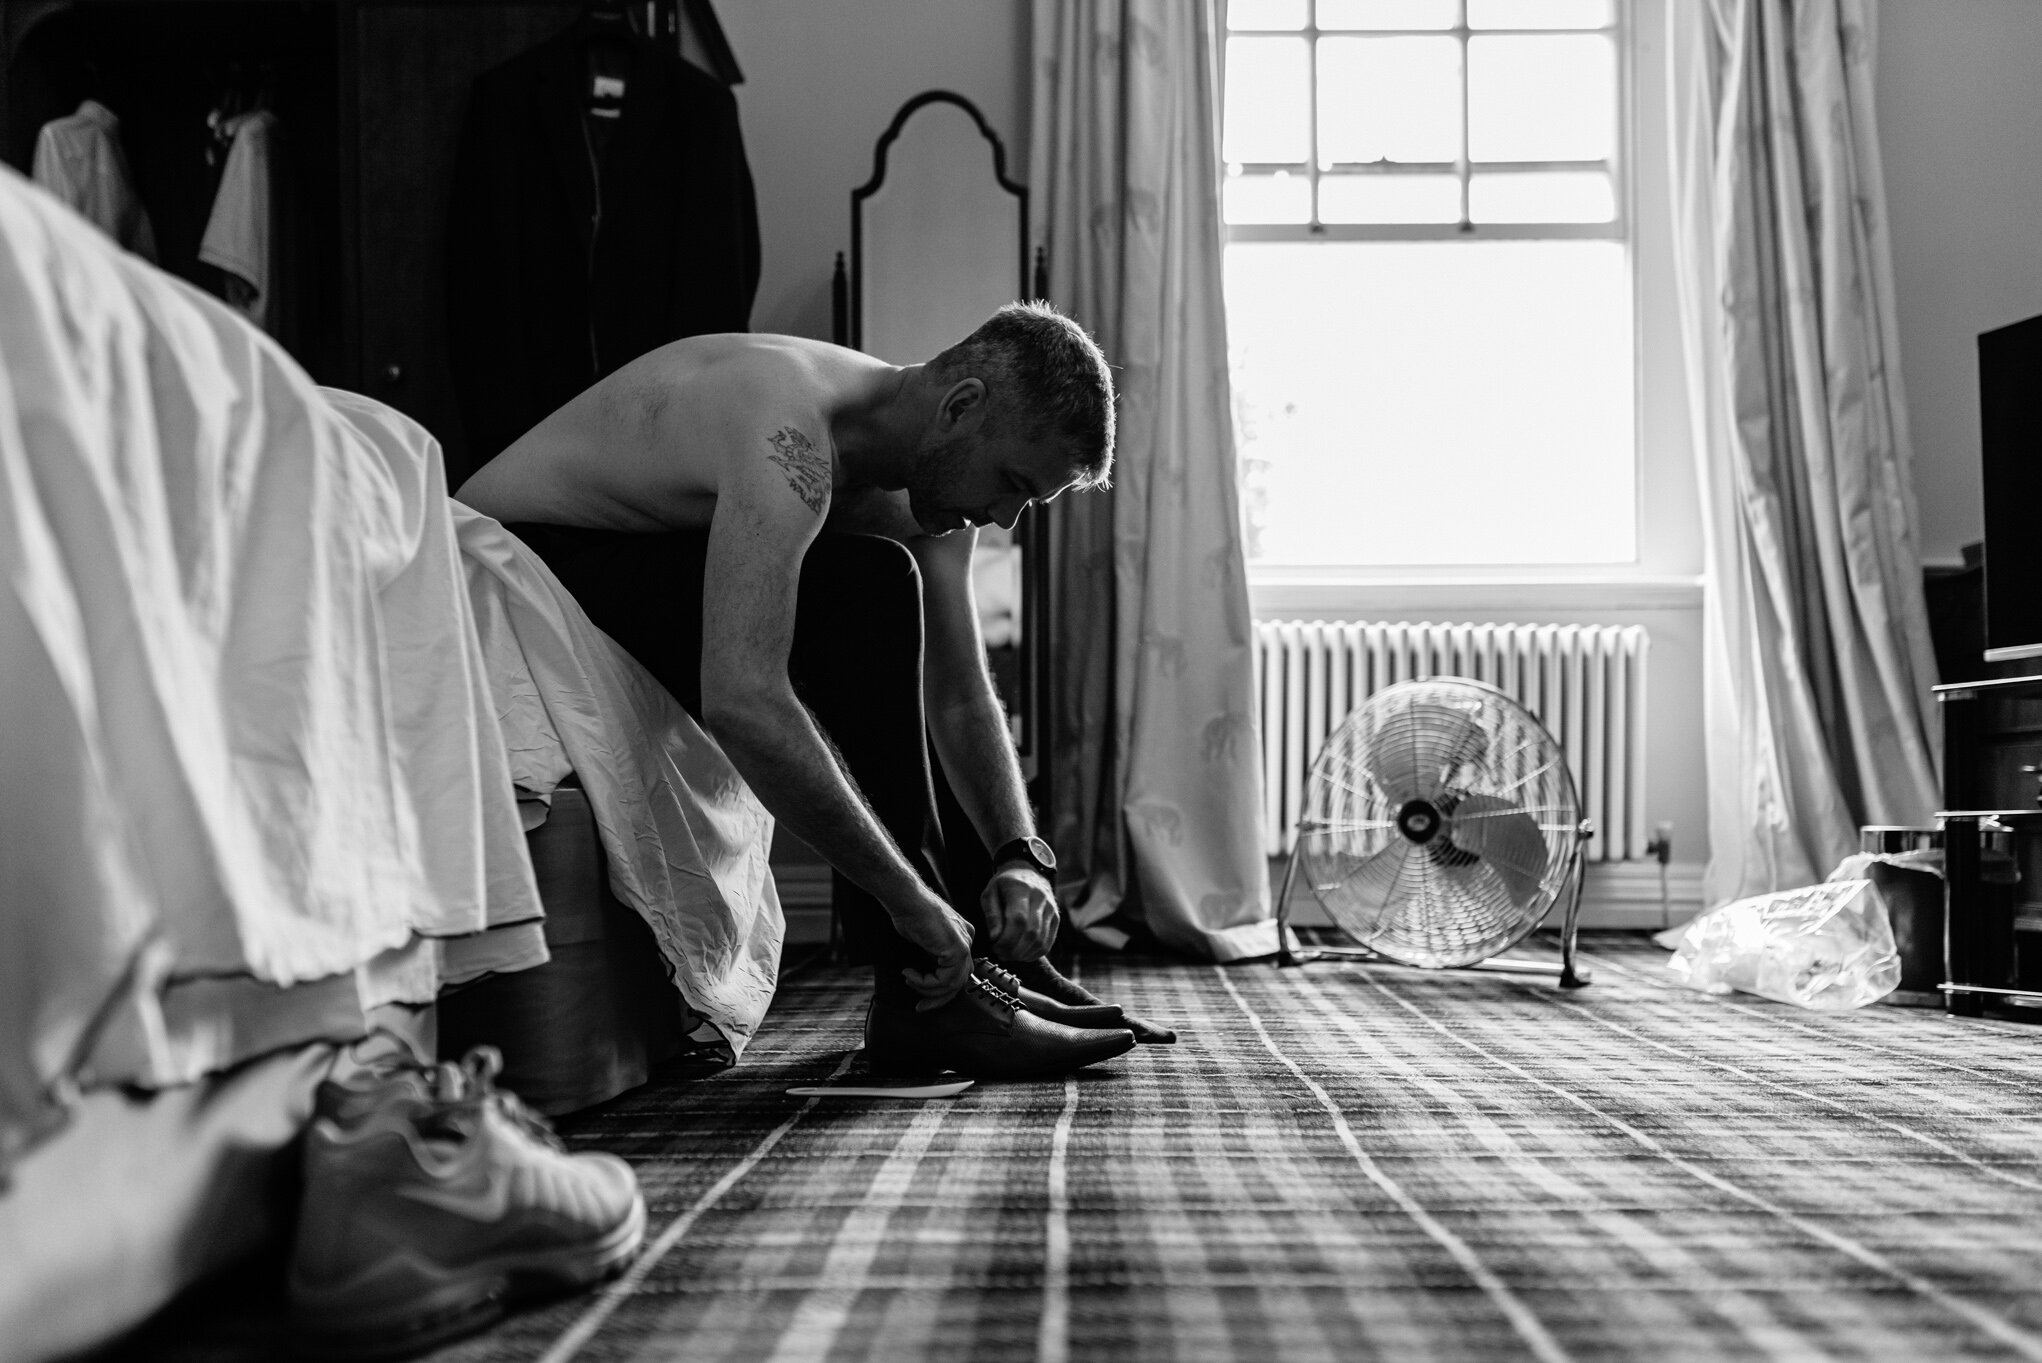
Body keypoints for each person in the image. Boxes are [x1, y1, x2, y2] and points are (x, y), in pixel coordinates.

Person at [456, 302, 1170, 1078]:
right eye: (1009, 485)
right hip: (519, 562)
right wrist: (907, 898)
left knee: (887, 590)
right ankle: (924, 993)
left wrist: (1020, 854)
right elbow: (742, 698)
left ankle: (998, 964)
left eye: (1025, 504)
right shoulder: (786, 434)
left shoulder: (930, 489)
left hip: (636, 552)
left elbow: (960, 695)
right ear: (960, 406)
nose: (1001, 519)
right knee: (873, 590)